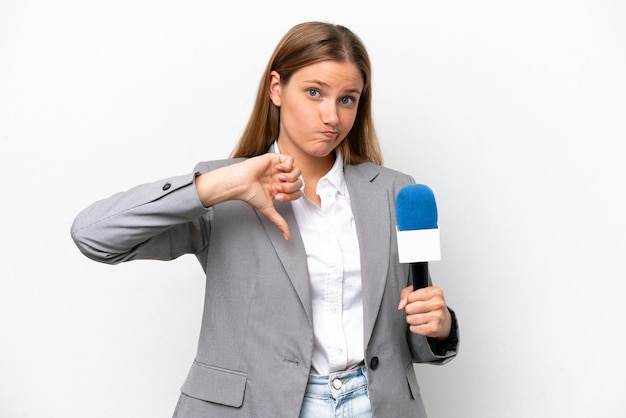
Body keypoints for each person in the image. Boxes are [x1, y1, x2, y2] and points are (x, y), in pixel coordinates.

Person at [71, 21, 459, 418]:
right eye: (314, 92)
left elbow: (409, 330)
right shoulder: (223, 193)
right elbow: (93, 236)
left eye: (348, 99)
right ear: (276, 88)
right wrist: (219, 183)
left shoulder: (395, 192)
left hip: (375, 405)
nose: (332, 117)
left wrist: (440, 326)